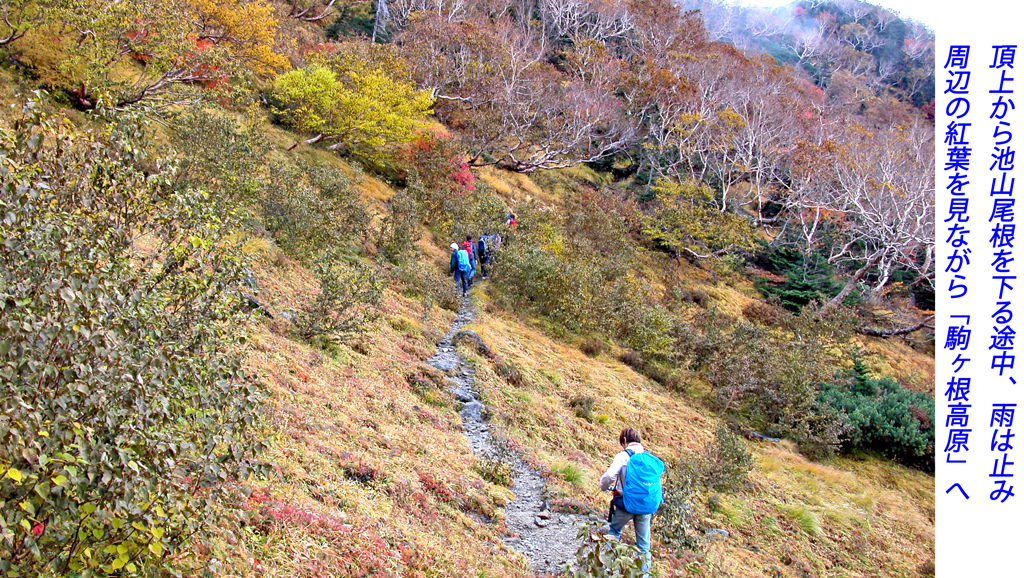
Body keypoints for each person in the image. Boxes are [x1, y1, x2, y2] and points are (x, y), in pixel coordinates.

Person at [600, 427, 654, 575]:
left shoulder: (623, 456)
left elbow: (610, 475)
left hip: (626, 504)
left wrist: (603, 487)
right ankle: (645, 575)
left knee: (614, 531)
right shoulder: (648, 457)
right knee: (644, 546)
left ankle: (607, 569)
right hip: (645, 506)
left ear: (624, 440)